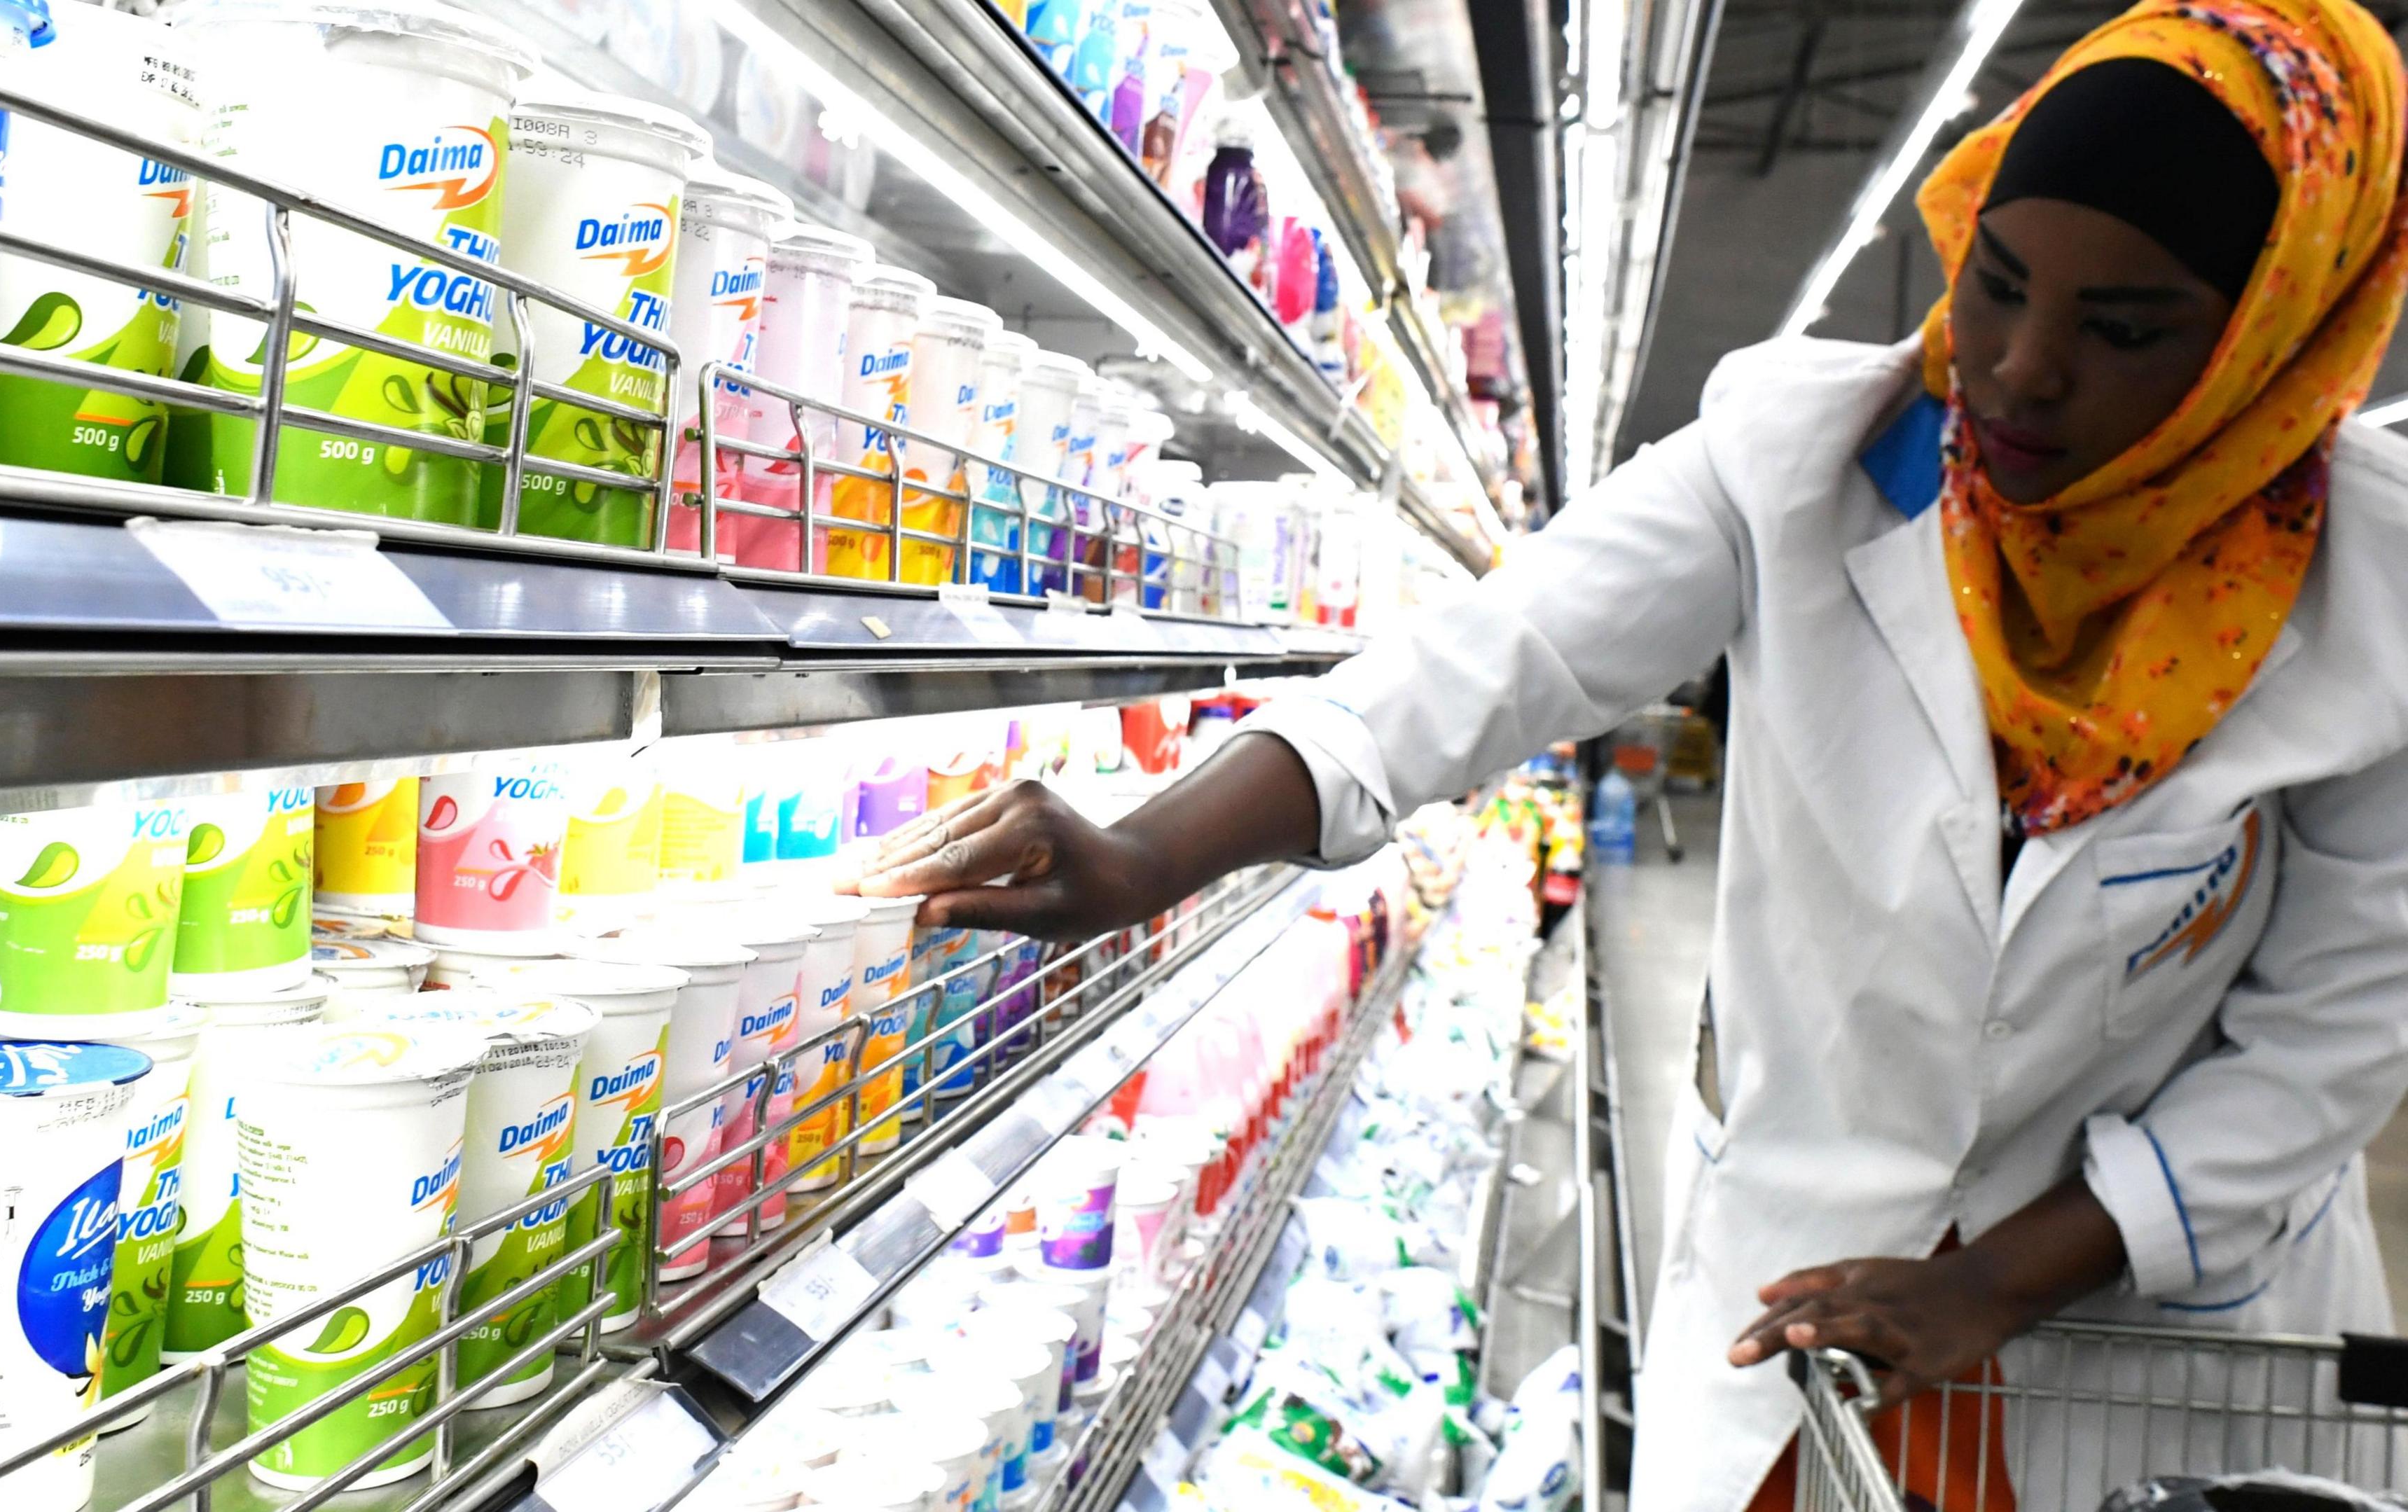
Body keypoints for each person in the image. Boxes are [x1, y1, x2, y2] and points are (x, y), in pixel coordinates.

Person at [846, 0, 2408, 1505]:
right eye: (1995, 281)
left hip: (2127, 1324)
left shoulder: (2367, 596)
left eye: (2121, 330)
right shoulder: (1812, 458)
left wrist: (2001, 1278)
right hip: (1806, 1309)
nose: (2015, 369)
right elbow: (1496, 653)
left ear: (2269, 342)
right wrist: (1155, 850)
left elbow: (2323, 1048)